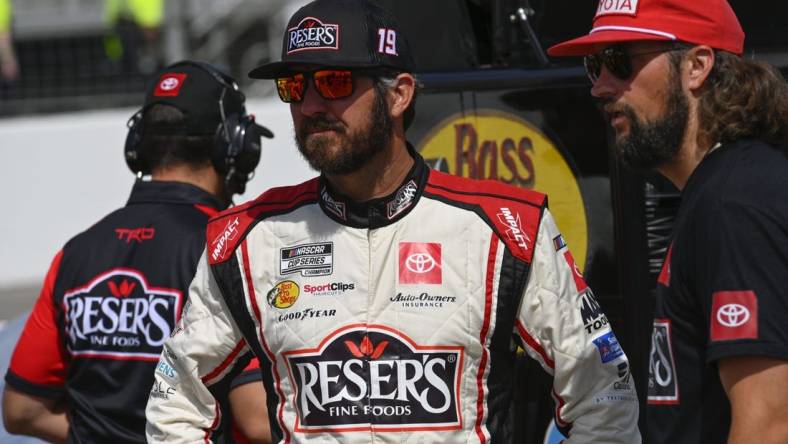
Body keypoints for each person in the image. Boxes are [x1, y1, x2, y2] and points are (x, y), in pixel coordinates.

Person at [144, 1, 640, 443]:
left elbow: (605, 396)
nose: (311, 105)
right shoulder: (248, 239)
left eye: (334, 82)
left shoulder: (507, 228)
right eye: (294, 86)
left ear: (400, 93)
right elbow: (175, 401)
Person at [548, 0, 788, 443]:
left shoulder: (736, 201)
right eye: (593, 65)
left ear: (697, 66)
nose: (600, 87)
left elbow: (771, 423)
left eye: (619, 61)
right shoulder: (725, 189)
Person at [2, 61, 273, 444]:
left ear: (137, 147)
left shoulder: (76, 254)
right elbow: (259, 420)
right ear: (238, 147)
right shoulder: (229, 250)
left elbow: (22, 409)